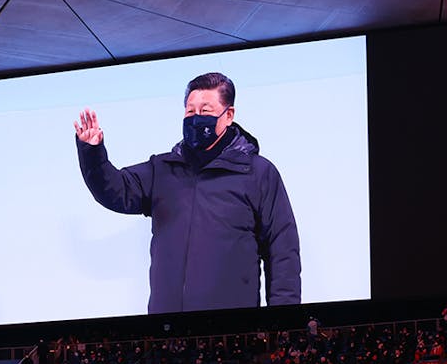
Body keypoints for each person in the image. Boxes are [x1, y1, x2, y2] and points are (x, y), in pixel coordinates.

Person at [74, 72, 301, 314]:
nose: (196, 119)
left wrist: (282, 322)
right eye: (190, 112)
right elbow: (114, 190)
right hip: (167, 329)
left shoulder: (258, 173)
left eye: (206, 111)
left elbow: (282, 249)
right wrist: (92, 151)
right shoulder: (162, 170)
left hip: (232, 329)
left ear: (229, 115)